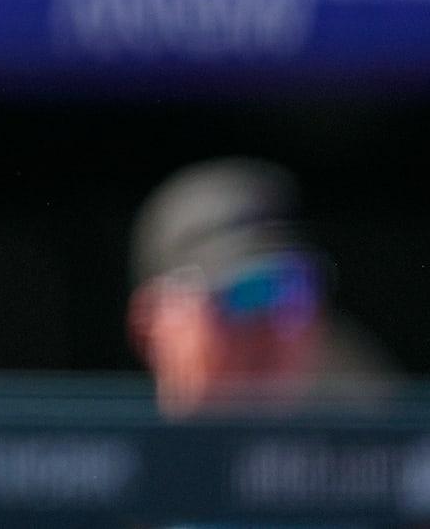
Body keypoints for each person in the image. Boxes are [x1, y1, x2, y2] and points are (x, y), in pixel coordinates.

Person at [129, 157, 396, 419]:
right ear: (150, 323)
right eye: (245, 294)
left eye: (294, 290)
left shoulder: (367, 438)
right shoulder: (99, 451)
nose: (275, 324)